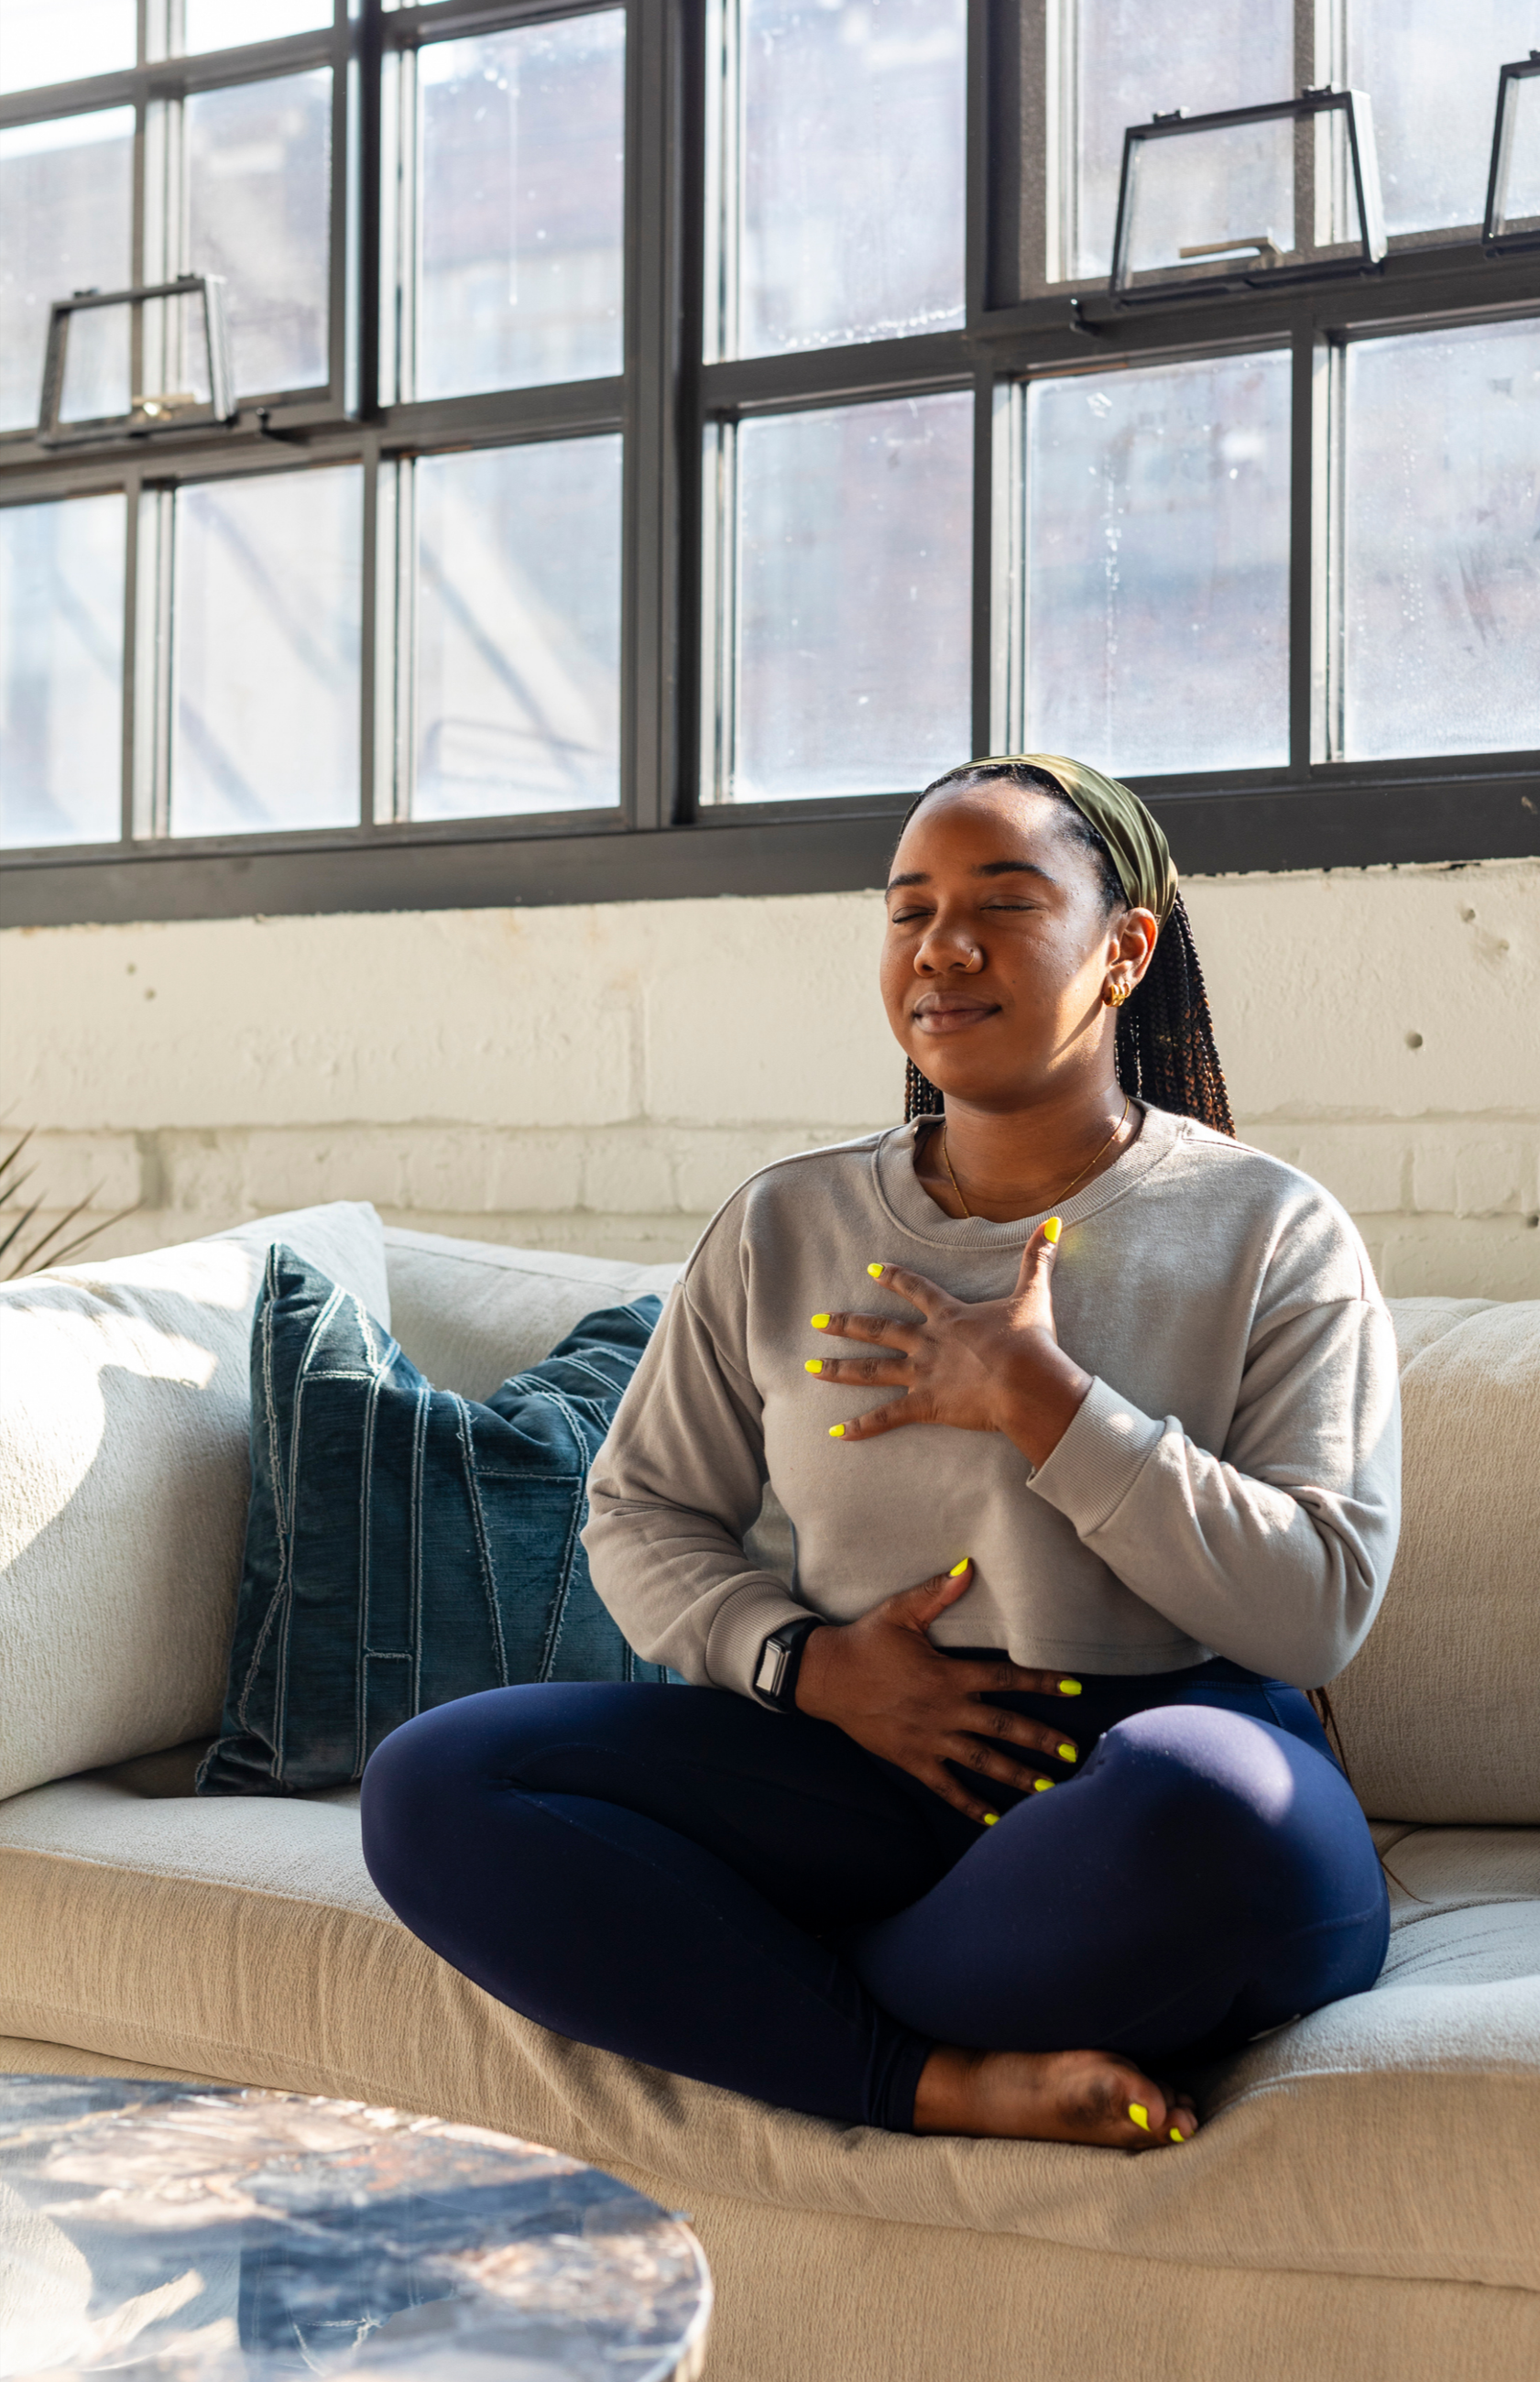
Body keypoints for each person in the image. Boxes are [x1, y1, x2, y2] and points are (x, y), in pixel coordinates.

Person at [362, 754, 1400, 2152]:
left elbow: (1316, 1605)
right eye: (907, 910)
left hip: (1150, 1770)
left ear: (1124, 950)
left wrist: (1047, 1406)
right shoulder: (784, 1222)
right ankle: (931, 2078)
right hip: (869, 1756)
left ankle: (754, 1992)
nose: (941, 948)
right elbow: (640, 1513)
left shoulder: (1271, 1229)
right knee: (440, 1782)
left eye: (1004, 902)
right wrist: (806, 1664)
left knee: (1225, 1818)